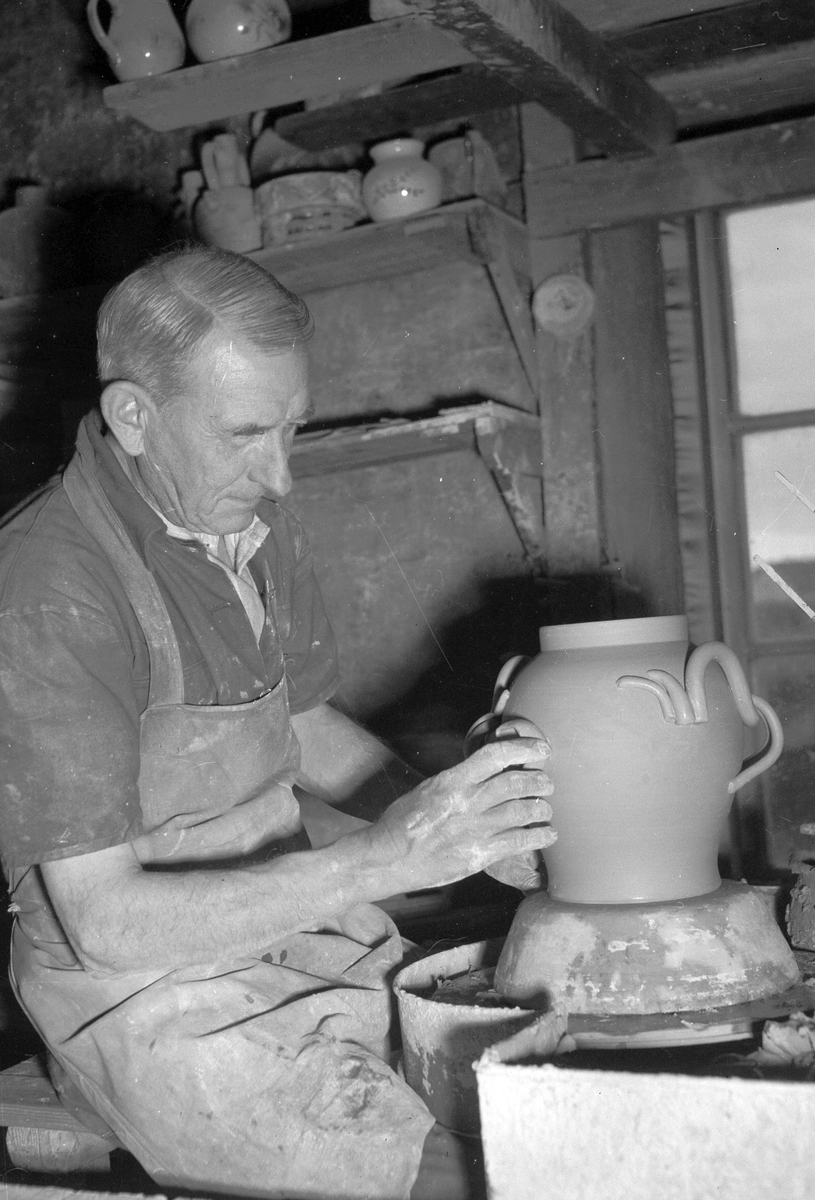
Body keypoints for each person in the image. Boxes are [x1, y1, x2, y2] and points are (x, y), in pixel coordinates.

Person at [0, 245, 555, 1199]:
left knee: (536, 1100)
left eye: (292, 427)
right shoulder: (50, 590)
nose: (281, 475)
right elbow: (104, 925)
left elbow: (304, 725)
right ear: (133, 416)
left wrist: (468, 825)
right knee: (452, 1176)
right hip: (138, 990)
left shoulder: (242, 519)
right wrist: (387, 858)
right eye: (246, 433)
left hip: (302, 927)